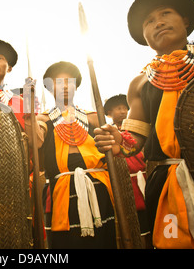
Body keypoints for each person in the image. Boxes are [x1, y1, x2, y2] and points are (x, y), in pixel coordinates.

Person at [94, 0, 194, 249]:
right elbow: (135, 139)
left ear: (185, 20)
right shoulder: (140, 84)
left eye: (166, 13)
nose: (159, 22)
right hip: (167, 181)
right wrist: (120, 141)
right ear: (144, 36)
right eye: (149, 21)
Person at [30, 61, 116, 249]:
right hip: (62, 189)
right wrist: (28, 113)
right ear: (51, 88)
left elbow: (117, 144)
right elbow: (36, 141)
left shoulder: (93, 117)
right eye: (58, 82)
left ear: (76, 86)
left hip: (99, 186)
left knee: (105, 240)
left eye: (69, 81)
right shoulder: (43, 119)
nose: (65, 86)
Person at [104, 94, 150, 245]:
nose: (123, 111)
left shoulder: (136, 131)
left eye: (125, 108)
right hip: (123, 182)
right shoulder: (107, 135)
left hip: (142, 178)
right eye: (118, 108)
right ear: (109, 113)